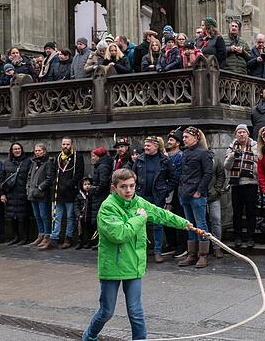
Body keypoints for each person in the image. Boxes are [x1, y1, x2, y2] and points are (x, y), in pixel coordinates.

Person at [81, 168, 192, 341]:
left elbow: (160, 213)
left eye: (132, 186)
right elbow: (119, 234)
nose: (128, 190)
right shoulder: (107, 208)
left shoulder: (138, 202)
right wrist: (140, 218)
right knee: (106, 311)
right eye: (123, 186)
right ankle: (89, 336)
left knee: (136, 311)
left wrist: (184, 223)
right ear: (113, 188)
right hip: (112, 266)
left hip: (134, 265)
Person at [133, 136, 174, 263]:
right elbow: (132, 176)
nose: (145, 147)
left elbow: (173, 178)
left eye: (148, 145)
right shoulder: (139, 160)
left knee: (158, 224)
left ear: (156, 146)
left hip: (158, 197)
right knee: (140, 224)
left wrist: (165, 191)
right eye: (145, 145)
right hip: (141, 196)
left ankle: (157, 252)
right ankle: (140, 251)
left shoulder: (165, 160)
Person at [178, 126, 213, 268]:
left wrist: (199, 190)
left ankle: (203, 255)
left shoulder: (203, 153)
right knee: (189, 225)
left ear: (195, 137)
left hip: (196, 194)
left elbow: (208, 174)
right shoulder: (185, 153)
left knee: (201, 224)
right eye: (183, 137)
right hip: (185, 193)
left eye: (186, 137)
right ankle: (192, 254)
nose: (184, 139)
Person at [40, 138, 84, 250]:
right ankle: (54, 239)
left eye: (67, 144)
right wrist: (54, 184)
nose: (65, 146)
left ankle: (68, 238)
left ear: (72, 145)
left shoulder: (77, 157)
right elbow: (53, 172)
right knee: (55, 216)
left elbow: (79, 174)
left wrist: (68, 184)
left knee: (70, 217)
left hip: (70, 192)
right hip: (57, 192)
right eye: (63, 144)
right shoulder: (58, 157)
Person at [224, 124, 259, 249]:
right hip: (236, 184)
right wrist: (232, 156)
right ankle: (237, 236)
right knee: (237, 212)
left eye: (244, 132)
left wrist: (251, 169)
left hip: (251, 183)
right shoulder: (232, 147)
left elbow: (259, 163)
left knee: (251, 211)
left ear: (248, 134)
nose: (241, 134)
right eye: (239, 132)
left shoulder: (255, 146)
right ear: (235, 135)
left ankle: (251, 237)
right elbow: (227, 166)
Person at [0, 142, 32, 245]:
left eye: (18, 149)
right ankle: (16, 237)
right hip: (10, 194)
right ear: (12, 151)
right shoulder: (6, 162)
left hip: (23, 194)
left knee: (24, 217)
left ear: (22, 150)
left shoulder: (28, 162)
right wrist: (2, 193)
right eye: (15, 149)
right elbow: (2, 179)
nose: (17, 150)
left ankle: (25, 238)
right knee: (12, 217)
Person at [26, 143, 54, 248]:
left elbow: (49, 179)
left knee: (44, 215)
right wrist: (29, 188)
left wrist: (40, 188)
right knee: (37, 216)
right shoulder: (34, 163)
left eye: (39, 150)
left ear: (44, 151)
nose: (37, 152)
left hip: (42, 194)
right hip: (32, 193)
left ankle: (47, 235)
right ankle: (40, 234)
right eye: (36, 151)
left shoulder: (48, 162)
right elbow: (29, 176)